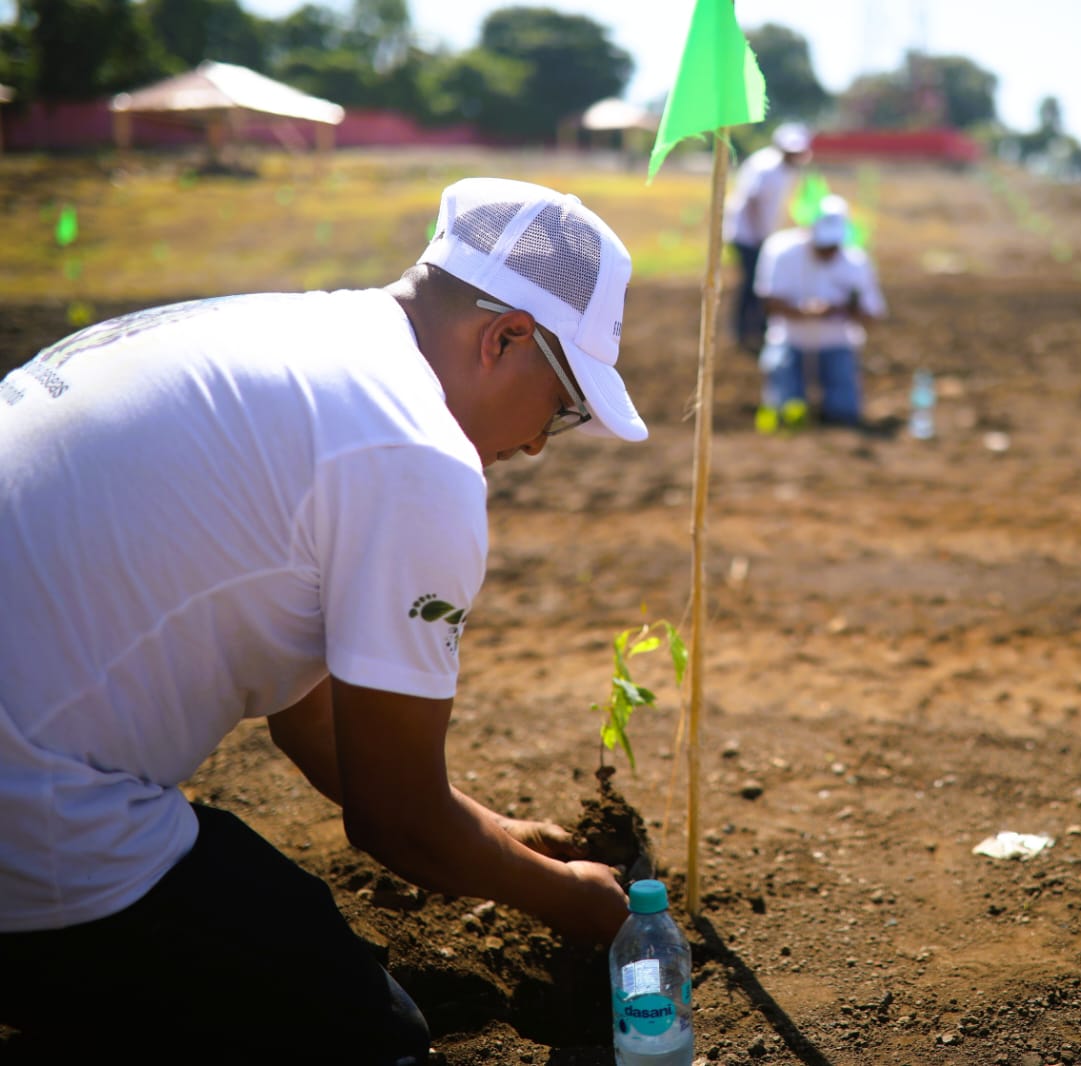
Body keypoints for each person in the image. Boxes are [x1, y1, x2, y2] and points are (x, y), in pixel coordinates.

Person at [0, 177, 648, 1064]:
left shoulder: (295, 335)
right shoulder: (416, 451)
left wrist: (492, 831)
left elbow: (309, 717)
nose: (539, 442)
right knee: (370, 1041)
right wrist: (577, 902)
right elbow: (396, 823)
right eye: (566, 407)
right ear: (504, 338)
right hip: (27, 815)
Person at [753, 194, 888, 428]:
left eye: (833, 246)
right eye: (823, 246)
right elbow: (767, 301)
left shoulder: (856, 262)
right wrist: (803, 312)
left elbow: (873, 314)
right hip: (789, 340)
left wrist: (846, 310)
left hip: (837, 343)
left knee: (844, 415)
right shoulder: (781, 251)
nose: (828, 252)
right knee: (788, 414)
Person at [723, 121, 813, 352]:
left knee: (761, 281)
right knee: (753, 282)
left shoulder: (789, 169)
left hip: (764, 236)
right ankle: (743, 331)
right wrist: (759, 236)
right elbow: (752, 201)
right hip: (747, 235)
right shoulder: (765, 166)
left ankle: (759, 329)